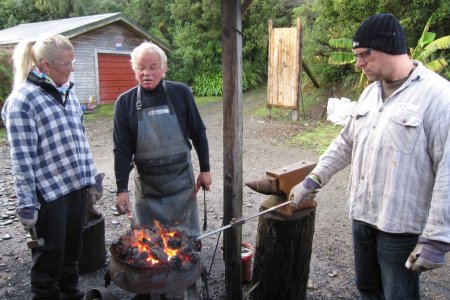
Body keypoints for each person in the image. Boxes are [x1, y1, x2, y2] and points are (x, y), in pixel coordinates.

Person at [289, 13, 450, 300]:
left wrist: (437, 238)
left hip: (400, 229)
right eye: (356, 56)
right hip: (362, 218)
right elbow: (345, 143)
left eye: (364, 54)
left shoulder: (438, 97)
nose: (358, 63)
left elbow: (448, 170)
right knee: (367, 290)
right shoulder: (369, 95)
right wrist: (312, 180)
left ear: (390, 47)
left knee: (398, 295)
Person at [1, 33, 103, 300]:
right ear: (45, 66)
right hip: (48, 197)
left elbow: (80, 140)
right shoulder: (22, 101)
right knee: (48, 265)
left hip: (75, 190)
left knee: (71, 258)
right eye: (65, 64)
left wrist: (91, 178)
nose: (71, 69)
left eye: (73, 62)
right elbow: (22, 159)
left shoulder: (68, 92)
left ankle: (71, 295)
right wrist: (27, 204)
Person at [113, 41, 212, 234]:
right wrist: (121, 189)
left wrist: (205, 169)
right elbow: (121, 151)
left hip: (182, 188)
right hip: (148, 192)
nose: (146, 73)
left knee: (186, 244)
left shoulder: (180, 93)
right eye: (140, 68)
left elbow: (198, 133)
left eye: (152, 67)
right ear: (134, 69)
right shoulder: (125, 103)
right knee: (150, 247)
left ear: (163, 68)